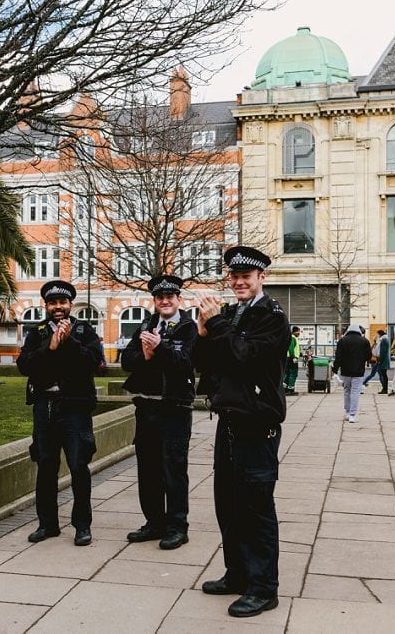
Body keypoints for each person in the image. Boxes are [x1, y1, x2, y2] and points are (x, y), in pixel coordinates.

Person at [194, 246, 288, 619]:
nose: (238, 283)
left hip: (257, 425)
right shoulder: (231, 313)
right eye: (233, 277)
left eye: (245, 277)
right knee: (228, 506)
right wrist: (203, 333)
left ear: (261, 277)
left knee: (257, 508)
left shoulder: (272, 316)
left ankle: (264, 588)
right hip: (230, 421)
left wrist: (216, 325)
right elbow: (208, 364)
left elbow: (244, 358)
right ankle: (237, 574)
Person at [17, 280, 105, 547]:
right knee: (45, 466)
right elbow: (25, 365)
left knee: (79, 466)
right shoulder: (38, 332)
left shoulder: (84, 330)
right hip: (45, 407)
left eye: (62, 303)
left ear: (70, 305)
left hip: (75, 408)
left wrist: (68, 343)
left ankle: (82, 526)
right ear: (47, 306)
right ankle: (47, 524)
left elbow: (92, 363)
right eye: (53, 303)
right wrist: (51, 347)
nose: (58, 307)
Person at [122, 274, 197, 551]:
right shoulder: (146, 323)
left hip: (174, 408)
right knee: (148, 469)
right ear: (154, 301)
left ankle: (177, 527)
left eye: (170, 297)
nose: (165, 301)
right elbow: (127, 361)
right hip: (147, 407)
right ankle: (154, 522)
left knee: (173, 469)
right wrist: (147, 356)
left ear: (179, 299)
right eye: (160, 297)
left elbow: (186, 362)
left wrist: (159, 349)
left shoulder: (188, 327)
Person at [332, 324, 371, 423]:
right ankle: (352, 415)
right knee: (355, 392)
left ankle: (347, 412)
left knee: (346, 391)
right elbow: (369, 356)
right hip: (359, 371)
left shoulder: (342, 340)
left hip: (345, 371)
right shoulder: (364, 341)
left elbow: (338, 357)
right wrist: (362, 360)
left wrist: (335, 369)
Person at [284, 326, 301, 394]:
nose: (299, 333)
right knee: (293, 373)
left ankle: (285, 388)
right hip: (292, 358)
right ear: (295, 331)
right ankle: (291, 389)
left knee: (287, 373)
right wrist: (294, 357)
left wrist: (301, 354)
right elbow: (291, 349)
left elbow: (294, 349)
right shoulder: (293, 338)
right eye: (298, 331)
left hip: (288, 358)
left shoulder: (290, 338)